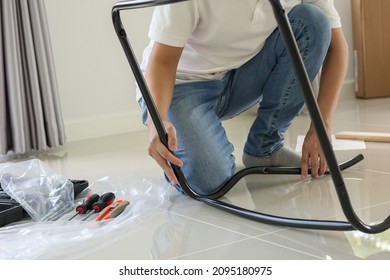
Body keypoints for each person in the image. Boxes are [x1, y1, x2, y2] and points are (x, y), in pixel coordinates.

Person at [137, 0, 349, 196]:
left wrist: (321, 127)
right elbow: (162, 62)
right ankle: (186, 154)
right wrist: (157, 120)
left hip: (239, 74)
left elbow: (336, 47)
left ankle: (264, 147)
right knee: (212, 183)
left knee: (313, 21)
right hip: (180, 85)